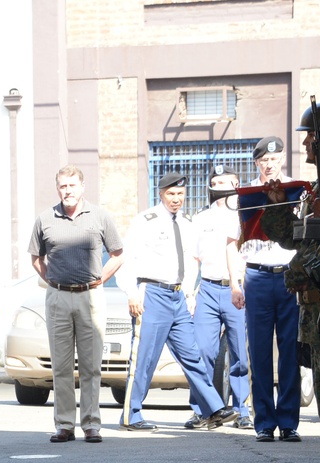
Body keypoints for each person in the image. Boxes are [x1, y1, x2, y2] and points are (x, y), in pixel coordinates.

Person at [116, 171, 235, 431]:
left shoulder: (187, 224)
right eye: (171, 194)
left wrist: (189, 293)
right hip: (152, 294)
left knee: (193, 355)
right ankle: (131, 415)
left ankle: (214, 408)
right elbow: (128, 258)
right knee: (144, 358)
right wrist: (131, 292)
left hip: (177, 296)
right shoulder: (145, 220)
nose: (176, 199)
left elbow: (191, 262)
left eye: (180, 194)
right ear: (161, 194)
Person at [28, 165, 124, 443]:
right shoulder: (45, 219)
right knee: (60, 365)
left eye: (72, 185)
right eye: (62, 186)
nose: (67, 191)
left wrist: (99, 280)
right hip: (57, 297)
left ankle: (92, 423)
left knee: (92, 365)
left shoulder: (100, 216)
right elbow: (36, 257)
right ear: (57, 188)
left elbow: (118, 254)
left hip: (90, 296)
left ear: (82, 187)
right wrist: (53, 280)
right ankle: (64, 425)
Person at [240, 136, 302, 442]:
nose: (270, 165)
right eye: (264, 160)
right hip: (258, 277)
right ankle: (264, 421)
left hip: (288, 275)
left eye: (274, 160)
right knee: (260, 351)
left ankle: (289, 421)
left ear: (282, 161)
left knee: (290, 349)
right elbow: (238, 241)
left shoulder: (296, 191)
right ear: (257, 163)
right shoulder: (249, 195)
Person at [184, 164, 252, 430]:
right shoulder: (201, 219)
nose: (221, 187)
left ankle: (241, 408)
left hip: (238, 289)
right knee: (202, 350)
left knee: (239, 353)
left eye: (227, 182)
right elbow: (193, 258)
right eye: (217, 182)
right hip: (209, 289)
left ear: (236, 183)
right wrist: (190, 292)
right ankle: (203, 410)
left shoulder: (244, 214)